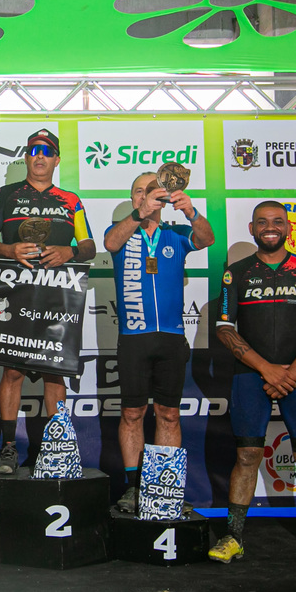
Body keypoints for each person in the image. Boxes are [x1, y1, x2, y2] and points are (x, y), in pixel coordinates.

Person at [211, 200, 296, 567]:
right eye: (262, 222)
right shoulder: (235, 273)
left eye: (277, 221)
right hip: (250, 375)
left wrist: (290, 374)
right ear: (252, 229)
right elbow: (224, 329)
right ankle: (233, 536)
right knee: (247, 455)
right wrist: (267, 370)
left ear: (288, 229)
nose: (269, 227)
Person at [0, 128, 96, 474]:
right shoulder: (6, 194)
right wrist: (8, 249)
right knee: (12, 370)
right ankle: (8, 448)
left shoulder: (71, 200)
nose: (39, 156)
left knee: (53, 372)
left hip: (57, 296)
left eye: (46, 150)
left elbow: (89, 246)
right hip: (15, 292)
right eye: (33, 150)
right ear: (27, 158)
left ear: (56, 159)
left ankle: (56, 450)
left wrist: (70, 252)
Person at [104, 171, 214, 513]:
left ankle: (164, 487)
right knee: (132, 413)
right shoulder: (121, 231)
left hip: (171, 338)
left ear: (166, 196)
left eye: (152, 191)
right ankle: (134, 487)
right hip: (133, 339)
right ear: (133, 198)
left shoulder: (176, 235)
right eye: (139, 191)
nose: (145, 196)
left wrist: (191, 211)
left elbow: (207, 238)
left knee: (168, 414)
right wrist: (140, 213)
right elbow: (110, 244)